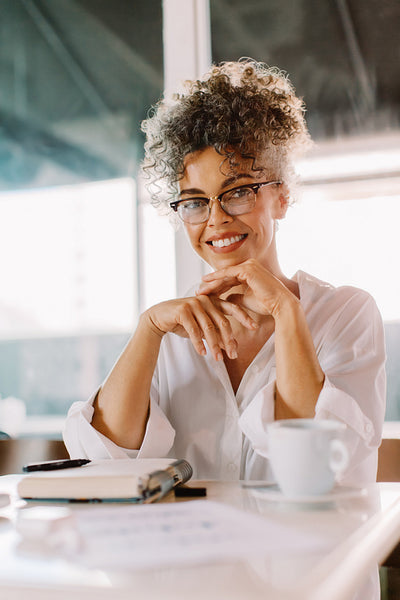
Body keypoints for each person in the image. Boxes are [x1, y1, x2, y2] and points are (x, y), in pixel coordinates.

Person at [63, 59, 386, 486]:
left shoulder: (345, 313)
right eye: (195, 202)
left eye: (237, 192)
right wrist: (147, 330)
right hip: (195, 550)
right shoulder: (171, 336)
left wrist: (288, 314)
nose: (215, 219)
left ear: (282, 197)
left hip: (311, 551)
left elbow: (319, 469)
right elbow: (103, 461)